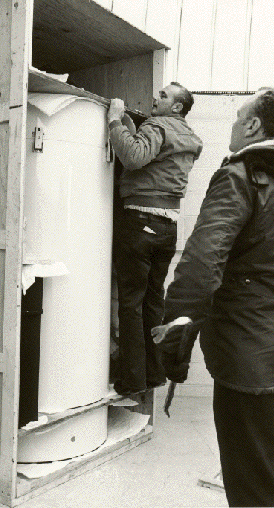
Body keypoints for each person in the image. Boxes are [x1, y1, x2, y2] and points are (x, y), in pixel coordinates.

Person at [152, 87, 274, 507]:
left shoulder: (242, 176)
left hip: (250, 359)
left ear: (253, 126)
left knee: (253, 490)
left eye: (237, 117)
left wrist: (175, 341)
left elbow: (200, 264)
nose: (233, 125)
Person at [107, 82, 203, 395]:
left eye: (163, 96)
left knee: (131, 303)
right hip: (167, 228)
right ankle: (154, 373)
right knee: (152, 301)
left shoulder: (158, 125)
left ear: (177, 107)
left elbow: (134, 157)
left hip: (140, 221)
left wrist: (114, 121)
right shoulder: (190, 138)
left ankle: (132, 380)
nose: (155, 98)